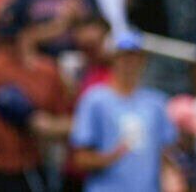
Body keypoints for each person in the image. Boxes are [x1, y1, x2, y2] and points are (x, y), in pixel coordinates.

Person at [71, 30, 183, 192]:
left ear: (142, 60)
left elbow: (166, 156)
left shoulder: (156, 103)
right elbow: (80, 158)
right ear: (113, 59)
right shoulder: (95, 100)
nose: (129, 63)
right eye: (123, 56)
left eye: (134, 57)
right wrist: (111, 157)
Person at [0, 3, 72, 191]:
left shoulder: (47, 71)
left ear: (30, 33)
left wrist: (45, 125)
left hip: (35, 166)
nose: (9, 46)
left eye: (15, 38)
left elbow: (67, 121)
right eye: (5, 39)